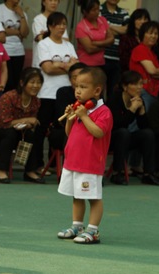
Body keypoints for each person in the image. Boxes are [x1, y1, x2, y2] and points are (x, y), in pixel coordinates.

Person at [57, 67, 113, 244]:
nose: (78, 91)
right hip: (73, 161)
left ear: (97, 90)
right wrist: (70, 119)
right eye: (76, 86)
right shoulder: (80, 109)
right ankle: (77, 226)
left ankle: (93, 230)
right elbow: (69, 133)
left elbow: (98, 132)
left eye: (83, 86)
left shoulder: (104, 112)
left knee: (93, 197)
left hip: (90, 163)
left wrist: (84, 116)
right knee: (77, 195)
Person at [0, 67, 43, 184]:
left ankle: (30, 171)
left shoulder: (36, 101)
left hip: (14, 133)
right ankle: (1, 171)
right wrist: (28, 120)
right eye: (32, 82)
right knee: (10, 133)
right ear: (22, 83)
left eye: (39, 82)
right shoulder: (9, 97)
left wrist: (28, 125)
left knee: (30, 134)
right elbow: (6, 123)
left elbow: (31, 123)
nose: (36, 86)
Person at [36, 12, 78, 177]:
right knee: (42, 129)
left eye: (64, 24)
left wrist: (59, 64)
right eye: (58, 24)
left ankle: (54, 164)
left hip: (67, 93)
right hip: (47, 92)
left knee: (62, 128)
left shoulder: (68, 45)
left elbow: (77, 67)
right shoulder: (44, 44)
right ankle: (38, 164)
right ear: (50, 26)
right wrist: (67, 65)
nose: (61, 27)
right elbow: (47, 68)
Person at [107, 70, 159, 186]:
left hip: (125, 137)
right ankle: (117, 173)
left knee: (147, 134)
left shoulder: (137, 99)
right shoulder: (114, 98)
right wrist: (132, 109)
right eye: (135, 84)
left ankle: (148, 174)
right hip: (110, 138)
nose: (139, 87)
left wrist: (141, 110)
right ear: (125, 86)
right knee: (123, 132)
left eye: (141, 84)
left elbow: (144, 126)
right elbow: (117, 124)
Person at [129, 21, 159, 111]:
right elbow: (152, 71)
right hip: (142, 90)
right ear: (143, 35)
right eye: (150, 33)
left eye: (156, 34)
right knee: (140, 120)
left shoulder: (153, 53)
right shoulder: (140, 49)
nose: (153, 36)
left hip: (153, 91)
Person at [0, 0, 28, 91]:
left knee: (16, 84)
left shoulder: (21, 12)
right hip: (4, 50)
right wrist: (17, 32)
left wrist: (22, 16)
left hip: (19, 52)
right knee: (7, 82)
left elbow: (25, 33)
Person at [75, 0, 114, 75]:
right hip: (86, 65)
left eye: (98, 9)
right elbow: (90, 49)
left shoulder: (102, 20)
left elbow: (111, 39)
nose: (97, 12)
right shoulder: (81, 27)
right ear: (85, 12)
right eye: (94, 10)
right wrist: (106, 45)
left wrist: (97, 43)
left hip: (101, 63)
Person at [100, 0, 129, 98]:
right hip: (102, 57)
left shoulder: (124, 12)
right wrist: (119, 29)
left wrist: (108, 26)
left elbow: (127, 30)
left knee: (113, 91)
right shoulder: (99, 9)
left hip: (117, 58)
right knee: (98, 90)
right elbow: (100, 29)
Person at [31, 0, 68, 68]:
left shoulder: (60, 19)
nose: (53, 3)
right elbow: (41, 38)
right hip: (41, 61)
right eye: (50, 0)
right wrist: (57, 36)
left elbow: (66, 40)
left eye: (56, 0)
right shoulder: (38, 19)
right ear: (44, 2)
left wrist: (46, 34)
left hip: (59, 61)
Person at [119, 8, 150, 73]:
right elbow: (124, 60)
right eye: (139, 19)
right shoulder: (126, 38)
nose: (143, 22)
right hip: (130, 73)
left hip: (147, 72)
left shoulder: (150, 39)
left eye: (145, 19)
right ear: (133, 21)